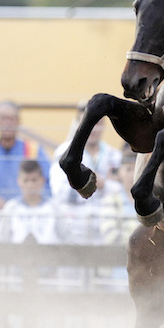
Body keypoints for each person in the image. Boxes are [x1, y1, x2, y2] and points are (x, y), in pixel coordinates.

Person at [49, 103, 121, 245]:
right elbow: (59, 192)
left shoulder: (114, 156)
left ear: (104, 125)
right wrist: (96, 185)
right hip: (72, 230)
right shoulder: (64, 153)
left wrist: (103, 184)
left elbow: (121, 191)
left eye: (98, 123)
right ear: (78, 124)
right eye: (87, 123)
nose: (93, 129)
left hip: (105, 232)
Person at [0, 101, 51, 209]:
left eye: (11, 119)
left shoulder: (33, 150)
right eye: (3, 118)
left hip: (28, 216)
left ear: (18, 122)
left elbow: (49, 185)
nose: (7, 123)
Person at [0, 159, 59, 244]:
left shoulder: (54, 207)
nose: (30, 185)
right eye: (26, 180)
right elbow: (0, 239)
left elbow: (67, 240)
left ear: (42, 180)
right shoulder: (11, 207)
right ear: (19, 181)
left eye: (34, 180)